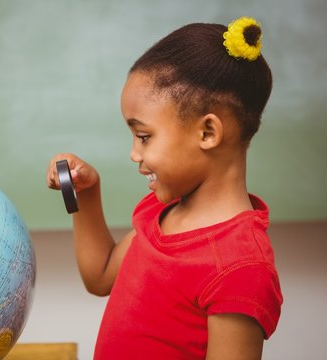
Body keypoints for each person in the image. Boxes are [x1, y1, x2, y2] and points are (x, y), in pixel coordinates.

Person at [46, 17, 283, 359]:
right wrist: (87, 192)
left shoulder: (241, 267)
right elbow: (99, 277)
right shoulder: (164, 210)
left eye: (143, 136)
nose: (134, 153)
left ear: (207, 133)